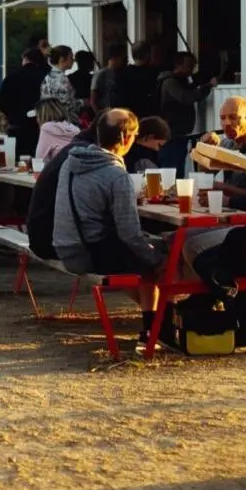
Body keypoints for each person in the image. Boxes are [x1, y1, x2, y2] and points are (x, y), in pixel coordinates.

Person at [53, 109, 166, 336]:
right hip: (86, 253)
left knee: (133, 253)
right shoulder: (115, 174)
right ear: (125, 138)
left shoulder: (71, 162)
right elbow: (130, 233)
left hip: (65, 246)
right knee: (152, 256)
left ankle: (161, 319)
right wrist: (157, 258)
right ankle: (155, 327)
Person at [26, 118, 98, 261]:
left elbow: (40, 157)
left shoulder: (70, 151)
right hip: (54, 243)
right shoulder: (86, 156)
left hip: (40, 237)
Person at [198, 97, 246, 209]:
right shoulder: (226, 144)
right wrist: (206, 151)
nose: (227, 123)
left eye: (233, 117)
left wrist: (223, 188)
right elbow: (204, 176)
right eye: (222, 118)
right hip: (226, 210)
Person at [157, 53, 217, 176]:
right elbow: (186, 97)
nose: (191, 70)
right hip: (172, 134)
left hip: (180, 133)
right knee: (171, 170)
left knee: (178, 168)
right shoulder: (170, 82)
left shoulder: (181, 81)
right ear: (179, 65)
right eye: (189, 66)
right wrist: (208, 87)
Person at [0, 48, 48, 158]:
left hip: (16, 126)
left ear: (25, 59)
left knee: (17, 161)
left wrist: (12, 115)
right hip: (39, 127)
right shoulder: (45, 77)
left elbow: (1, 102)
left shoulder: (11, 77)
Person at [120, 41, 159, 121]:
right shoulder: (152, 73)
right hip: (147, 114)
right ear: (148, 55)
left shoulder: (123, 73)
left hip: (128, 114)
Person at [41, 46, 81, 116]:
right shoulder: (61, 79)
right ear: (62, 59)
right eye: (71, 57)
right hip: (61, 117)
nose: (73, 60)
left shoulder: (48, 76)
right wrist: (82, 102)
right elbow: (66, 104)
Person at [91, 43, 127, 113]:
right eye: (121, 58)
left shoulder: (122, 74)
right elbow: (93, 101)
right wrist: (100, 115)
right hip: (105, 112)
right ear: (114, 58)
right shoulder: (100, 75)